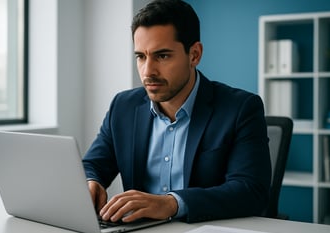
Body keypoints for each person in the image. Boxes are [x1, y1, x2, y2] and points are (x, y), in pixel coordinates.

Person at [82, 0, 271, 224]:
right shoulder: (123, 106)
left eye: (162, 56)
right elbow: (92, 164)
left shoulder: (241, 108)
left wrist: (172, 203)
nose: (148, 71)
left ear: (194, 55)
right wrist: (90, 181)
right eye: (141, 56)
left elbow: (250, 190)